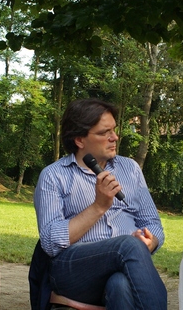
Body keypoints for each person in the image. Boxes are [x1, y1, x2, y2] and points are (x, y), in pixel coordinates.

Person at [33, 99, 166, 308]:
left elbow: (153, 222)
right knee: (127, 245)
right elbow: (49, 242)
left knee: (120, 285)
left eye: (114, 130)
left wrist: (151, 242)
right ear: (79, 140)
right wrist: (99, 206)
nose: (114, 137)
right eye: (105, 132)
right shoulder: (54, 176)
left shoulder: (130, 169)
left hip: (124, 267)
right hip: (73, 270)